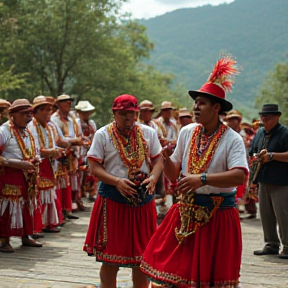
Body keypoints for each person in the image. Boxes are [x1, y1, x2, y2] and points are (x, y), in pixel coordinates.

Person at [140, 55, 249, 287]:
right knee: (174, 272)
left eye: (202, 103)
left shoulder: (232, 139)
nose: (195, 107)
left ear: (216, 108)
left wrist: (202, 179)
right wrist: (167, 160)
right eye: (196, 102)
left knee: (210, 278)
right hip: (186, 212)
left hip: (218, 214)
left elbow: (240, 175)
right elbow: (173, 174)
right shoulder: (187, 131)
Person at [83, 94, 163, 288]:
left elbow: (159, 160)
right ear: (115, 113)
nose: (129, 119)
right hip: (113, 201)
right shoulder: (103, 135)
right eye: (124, 114)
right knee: (111, 259)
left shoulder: (148, 133)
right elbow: (94, 168)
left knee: (142, 258)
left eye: (133, 114)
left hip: (142, 201)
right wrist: (117, 182)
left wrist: (153, 177)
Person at [0, 99, 43, 253]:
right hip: (9, 175)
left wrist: (35, 158)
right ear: (13, 115)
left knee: (27, 204)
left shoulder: (27, 131)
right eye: (24, 114)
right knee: (8, 206)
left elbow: (35, 149)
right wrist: (18, 164)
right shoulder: (4, 131)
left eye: (29, 114)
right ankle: (4, 240)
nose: (28, 117)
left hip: (27, 175)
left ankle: (26, 235)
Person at [251, 104, 288, 259]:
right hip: (264, 178)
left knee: (283, 214)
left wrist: (272, 156)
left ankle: (287, 246)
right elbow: (252, 150)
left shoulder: (285, 133)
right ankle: (271, 243)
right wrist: (256, 157)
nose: (265, 120)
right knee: (265, 214)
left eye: (269, 117)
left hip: (281, 180)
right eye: (263, 117)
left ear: (277, 117)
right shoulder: (259, 133)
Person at [28, 96, 64, 234]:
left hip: (49, 164)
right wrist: (52, 151)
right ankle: (37, 225)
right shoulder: (32, 126)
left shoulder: (49, 127)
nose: (48, 112)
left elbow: (53, 143)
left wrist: (55, 151)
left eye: (49, 109)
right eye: (45, 110)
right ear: (36, 112)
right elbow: (35, 149)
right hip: (38, 164)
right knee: (39, 194)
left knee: (48, 193)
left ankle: (48, 222)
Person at [51, 94, 83, 217]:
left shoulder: (72, 119)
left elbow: (78, 134)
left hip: (72, 153)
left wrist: (76, 141)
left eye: (70, 102)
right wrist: (73, 141)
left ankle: (67, 208)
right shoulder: (54, 119)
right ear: (58, 104)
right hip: (60, 154)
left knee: (68, 181)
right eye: (65, 102)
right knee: (60, 182)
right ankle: (60, 211)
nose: (68, 104)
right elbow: (58, 140)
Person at [75, 100, 98, 202]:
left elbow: (94, 135)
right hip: (80, 150)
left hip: (89, 149)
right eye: (84, 112)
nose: (86, 114)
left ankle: (91, 193)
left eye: (87, 112)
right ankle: (78, 197)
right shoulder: (76, 122)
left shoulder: (91, 123)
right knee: (79, 173)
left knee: (91, 172)